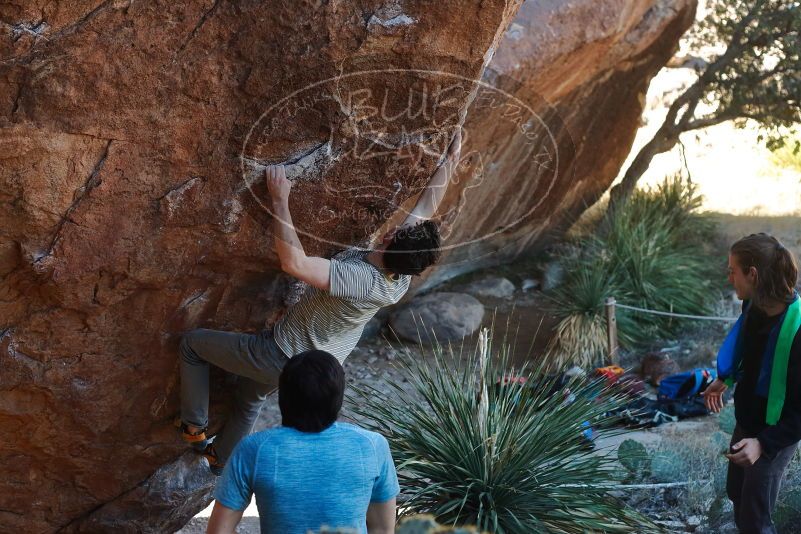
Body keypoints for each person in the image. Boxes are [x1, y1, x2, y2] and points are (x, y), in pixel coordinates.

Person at [178, 130, 462, 473]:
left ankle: (193, 427)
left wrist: (280, 200)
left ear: (391, 244)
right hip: (312, 362)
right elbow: (426, 206)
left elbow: (294, 264)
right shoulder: (401, 272)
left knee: (193, 345)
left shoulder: (363, 280)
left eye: (395, 233)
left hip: (281, 354)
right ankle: (220, 460)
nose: (395, 227)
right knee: (249, 399)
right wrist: (451, 159)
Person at [206, 350, 398, 534]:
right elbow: (383, 529)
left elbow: (218, 531)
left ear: (283, 396)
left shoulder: (253, 450)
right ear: (337, 398)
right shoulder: (372, 446)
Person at [703, 233, 801, 534]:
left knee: (756, 521)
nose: (728, 276)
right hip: (746, 424)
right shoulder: (754, 306)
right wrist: (725, 378)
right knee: (736, 494)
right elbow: (747, 353)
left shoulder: (798, 330)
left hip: (774, 437)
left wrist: (763, 444)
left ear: (753, 274)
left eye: (733, 270)